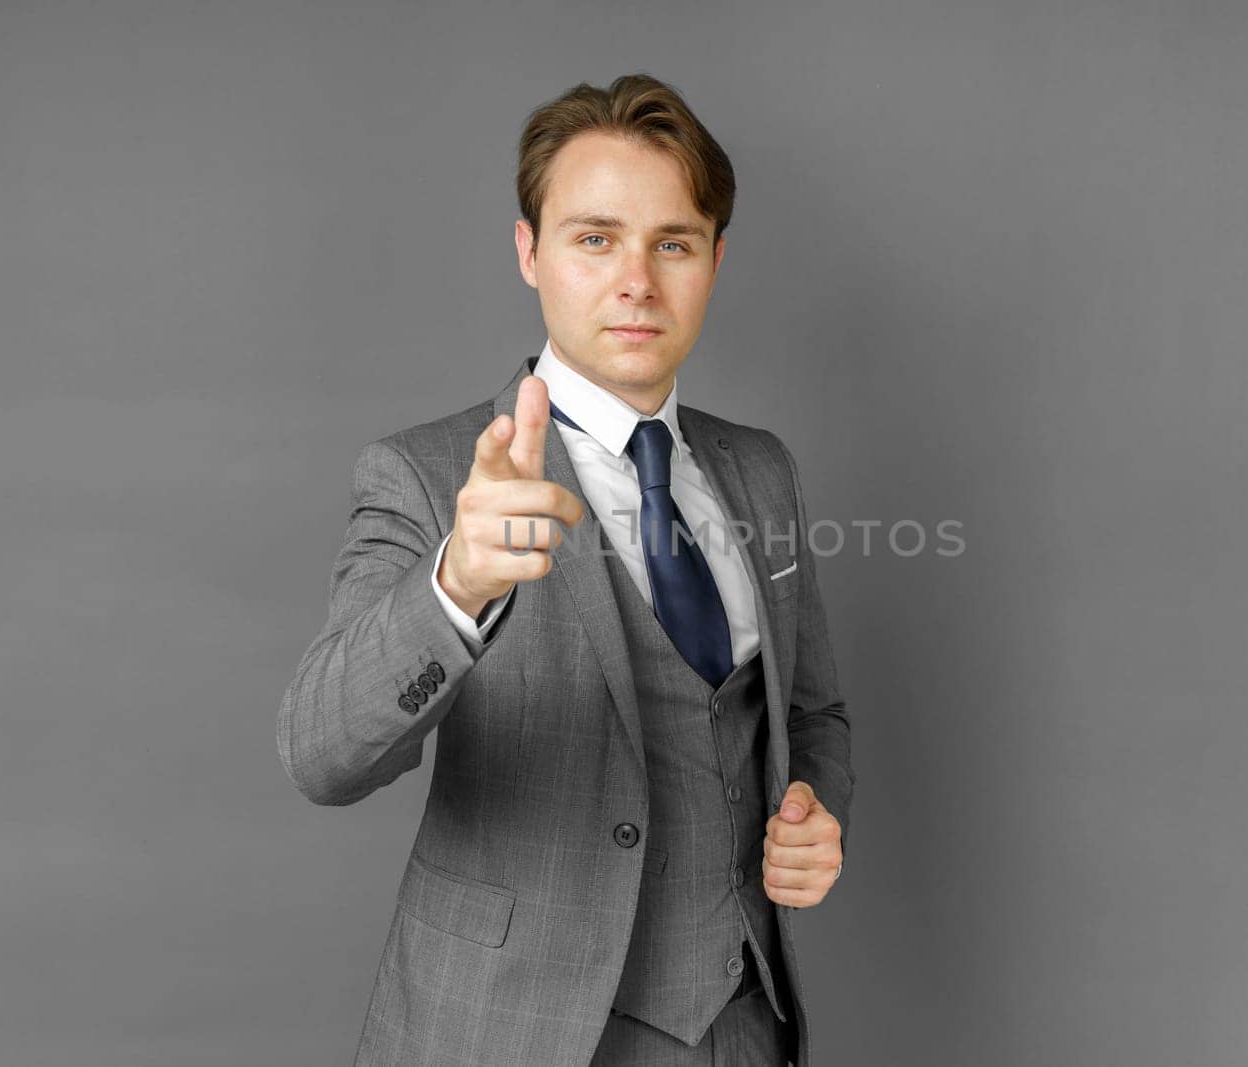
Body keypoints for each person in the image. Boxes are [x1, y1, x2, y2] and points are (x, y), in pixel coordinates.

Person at [277, 73, 854, 1066]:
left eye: (671, 243)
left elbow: (811, 713)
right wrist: (457, 585)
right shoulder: (422, 473)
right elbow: (322, 755)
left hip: (744, 1025)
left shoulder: (760, 468)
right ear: (528, 252)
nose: (636, 280)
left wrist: (815, 808)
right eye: (594, 238)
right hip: (510, 1030)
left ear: (714, 260)